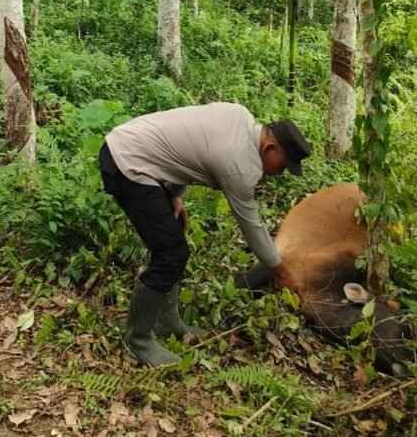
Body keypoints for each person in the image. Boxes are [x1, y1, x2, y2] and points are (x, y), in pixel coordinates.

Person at [98, 102, 311, 367]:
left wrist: (174, 195)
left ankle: (167, 321)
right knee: (172, 252)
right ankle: (137, 339)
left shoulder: (239, 115)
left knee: (173, 235)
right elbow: (251, 225)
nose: (279, 173)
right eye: (283, 165)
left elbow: (190, 146)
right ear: (269, 148)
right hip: (128, 164)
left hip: (129, 144)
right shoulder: (240, 165)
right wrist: (281, 272)